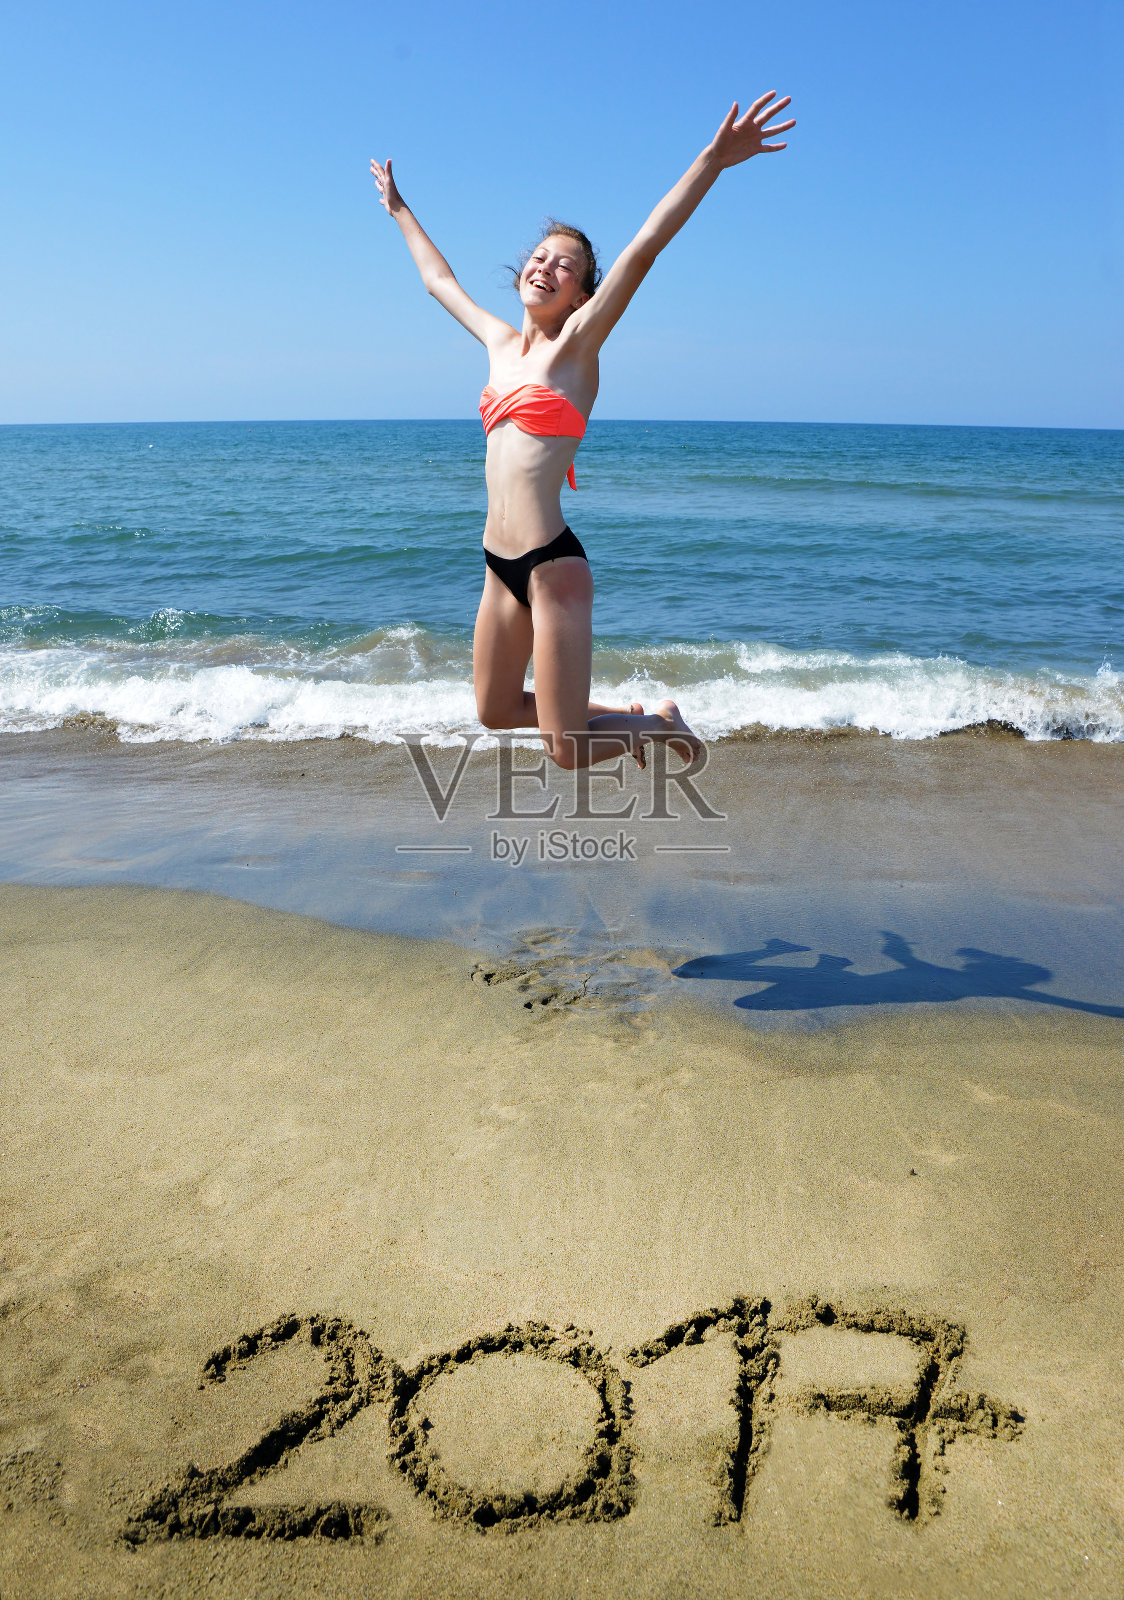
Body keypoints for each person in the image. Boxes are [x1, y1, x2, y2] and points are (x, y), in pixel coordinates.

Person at [371, 92, 794, 771]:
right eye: (538, 256)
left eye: (563, 264)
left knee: (565, 752)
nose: (544, 265)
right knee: (494, 709)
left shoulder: (577, 349)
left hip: (552, 567)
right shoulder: (498, 343)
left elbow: (645, 247)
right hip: (495, 564)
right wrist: (399, 209)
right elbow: (437, 281)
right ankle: (631, 714)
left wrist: (713, 162)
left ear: (581, 295)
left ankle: (657, 726)